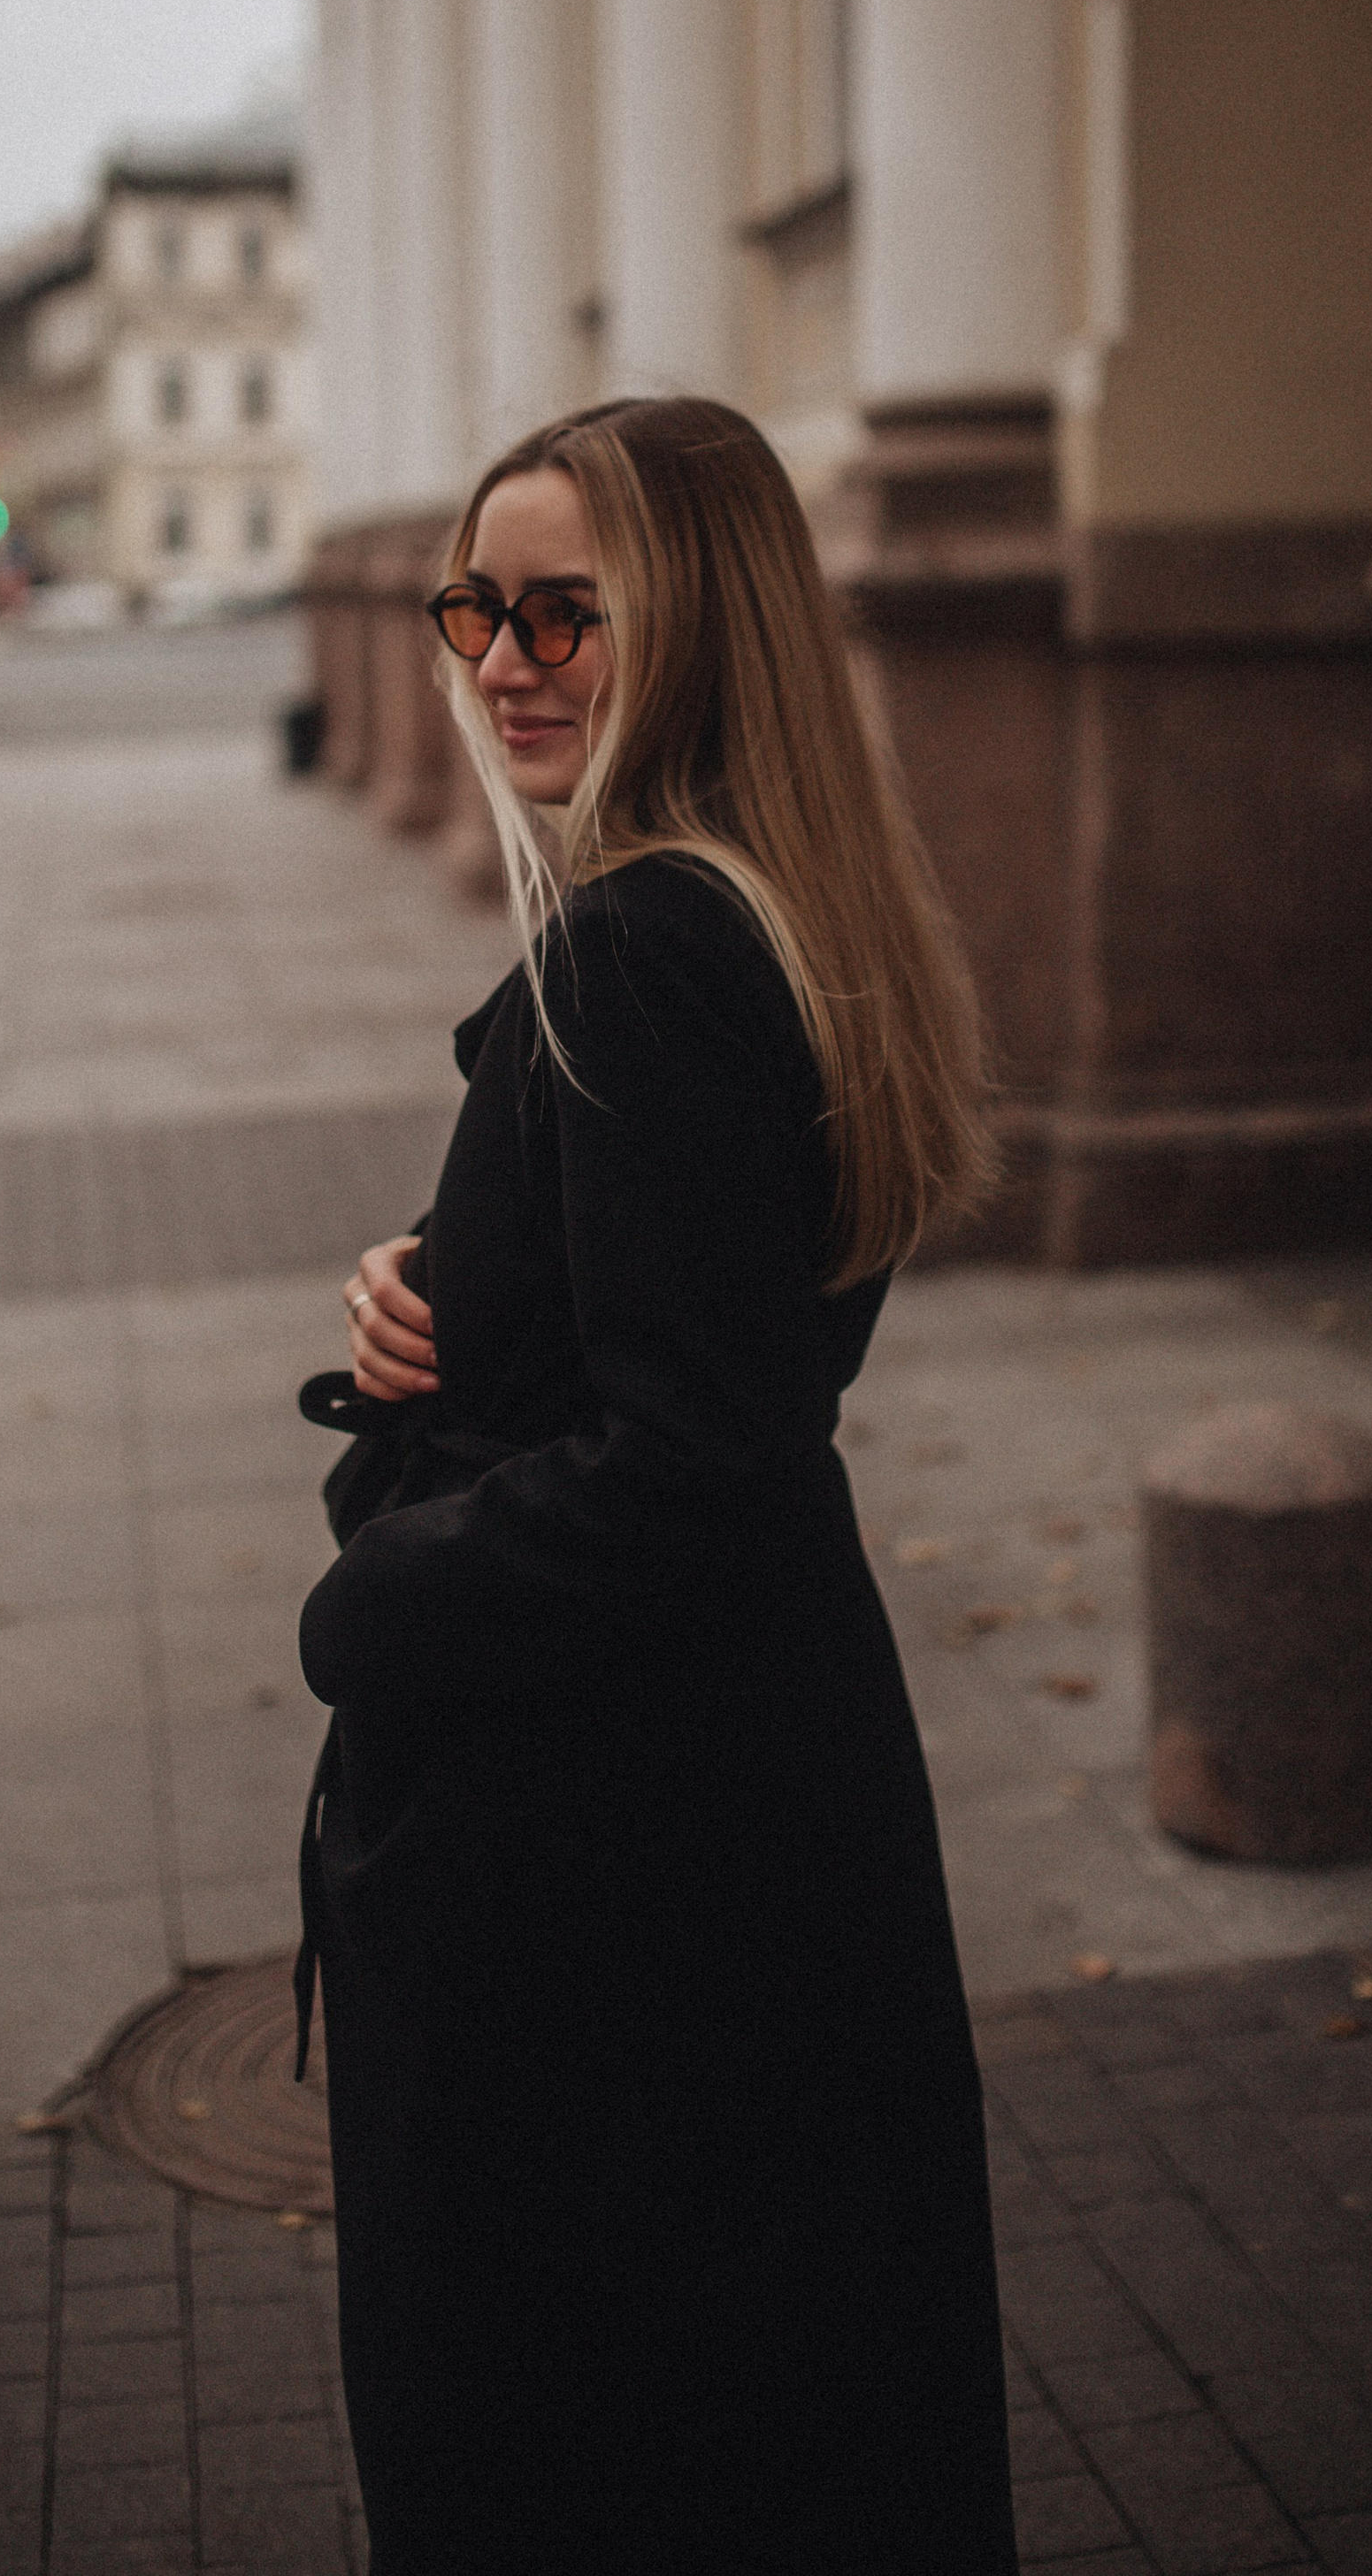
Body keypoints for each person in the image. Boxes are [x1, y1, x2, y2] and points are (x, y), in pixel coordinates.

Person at [296, 396, 1018, 2575]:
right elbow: (696, 1343)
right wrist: (430, 1323)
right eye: (475, 608)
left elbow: (691, 1453)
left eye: (565, 614)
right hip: (730, 1841)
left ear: (696, 627)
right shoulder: (768, 915)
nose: (502, 657)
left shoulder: (645, 956)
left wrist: (372, 1600)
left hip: (608, 1906)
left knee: (584, 2461)